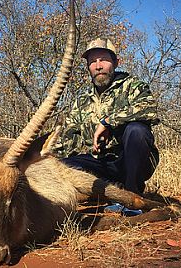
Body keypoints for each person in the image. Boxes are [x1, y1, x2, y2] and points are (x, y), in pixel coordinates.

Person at [59, 38, 159, 196]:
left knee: (136, 131)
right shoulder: (82, 100)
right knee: (61, 165)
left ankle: (133, 196)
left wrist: (107, 122)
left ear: (116, 62)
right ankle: (107, 191)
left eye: (104, 60)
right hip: (100, 164)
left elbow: (149, 108)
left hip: (130, 162)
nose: (98, 66)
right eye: (92, 62)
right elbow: (67, 138)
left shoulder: (132, 86)